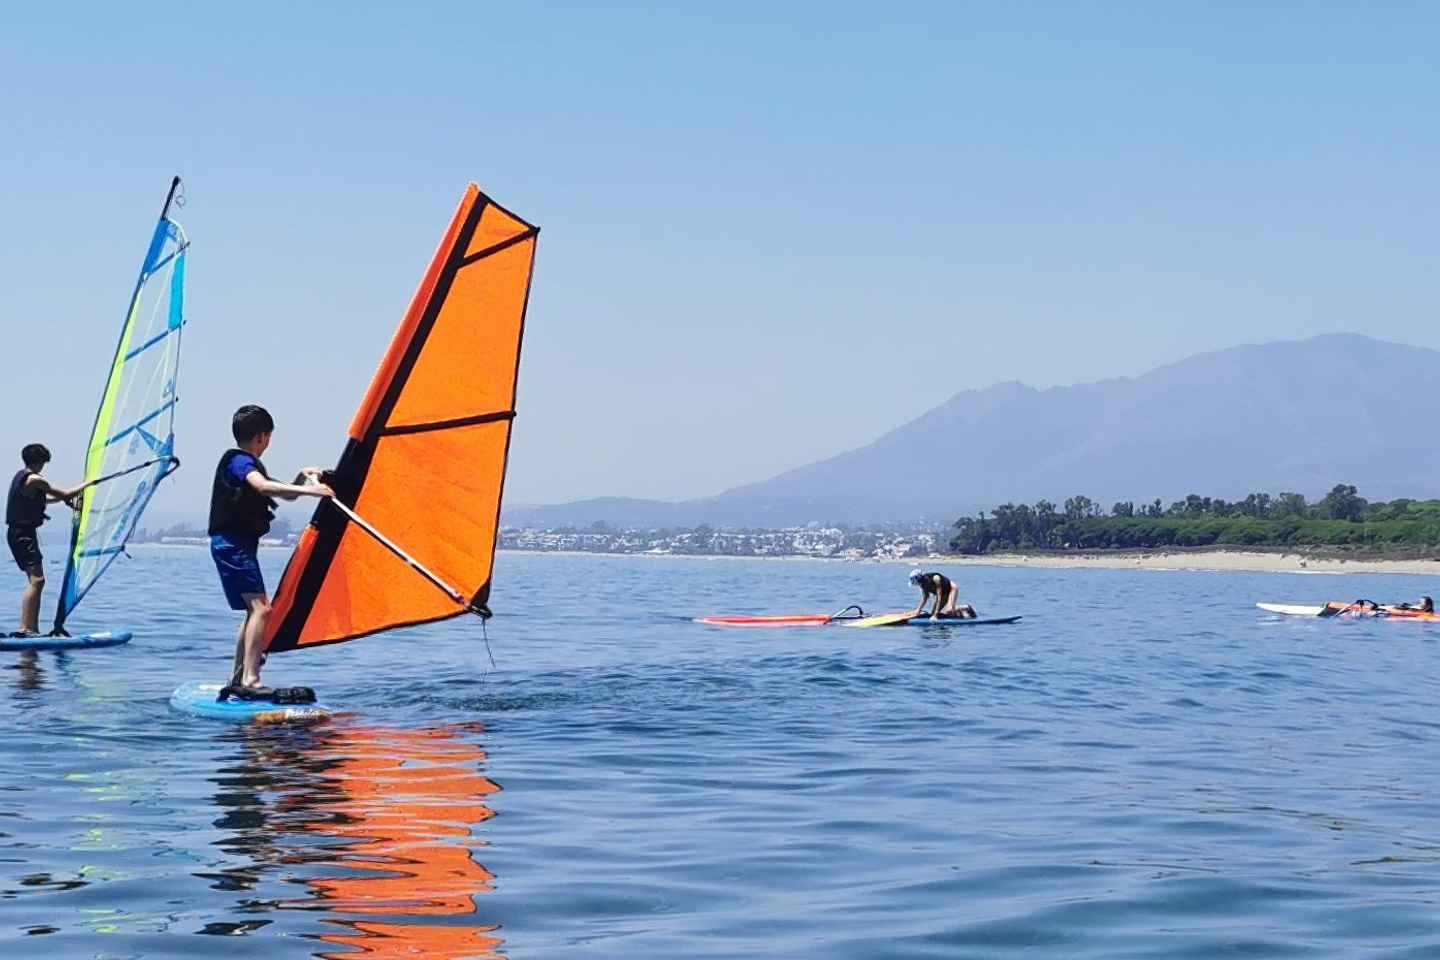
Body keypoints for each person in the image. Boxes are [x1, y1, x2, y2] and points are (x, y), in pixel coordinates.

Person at [209, 405, 332, 696]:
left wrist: (302, 479)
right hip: (232, 545)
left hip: (235, 545)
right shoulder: (240, 463)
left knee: (254, 611)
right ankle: (250, 680)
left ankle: (238, 678)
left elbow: (283, 493)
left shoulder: (243, 463)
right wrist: (312, 492)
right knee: (261, 609)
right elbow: (263, 487)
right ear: (263, 437)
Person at [6, 444, 82, 637]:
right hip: (22, 534)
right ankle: (26, 629)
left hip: (21, 533)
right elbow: (65, 494)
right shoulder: (35, 479)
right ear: (40, 461)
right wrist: (89, 483)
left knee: (36, 580)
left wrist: (60, 500)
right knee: (37, 580)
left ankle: (31, 629)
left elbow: (45, 500)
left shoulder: (22, 477)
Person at [908, 568, 976, 620]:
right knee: (933, 613)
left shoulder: (936, 578)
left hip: (951, 589)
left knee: (949, 610)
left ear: (918, 578)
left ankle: (966, 607)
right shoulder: (922, 584)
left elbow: (939, 597)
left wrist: (935, 615)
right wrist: (918, 610)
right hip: (943, 594)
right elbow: (925, 598)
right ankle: (963, 615)